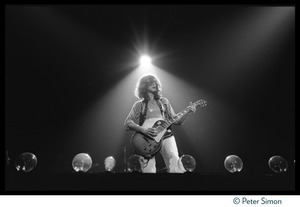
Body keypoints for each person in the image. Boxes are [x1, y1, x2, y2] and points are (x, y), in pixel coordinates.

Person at [124, 74, 196, 173]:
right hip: (147, 140)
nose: (154, 83)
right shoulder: (139, 105)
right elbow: (128, 122)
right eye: (150, 82)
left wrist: (188, 113)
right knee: (148, 170)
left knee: (175, 162)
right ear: (144, 86)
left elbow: (177, 121)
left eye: (155, 82)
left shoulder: (164, 102)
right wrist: (143, 130)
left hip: (166, 135)